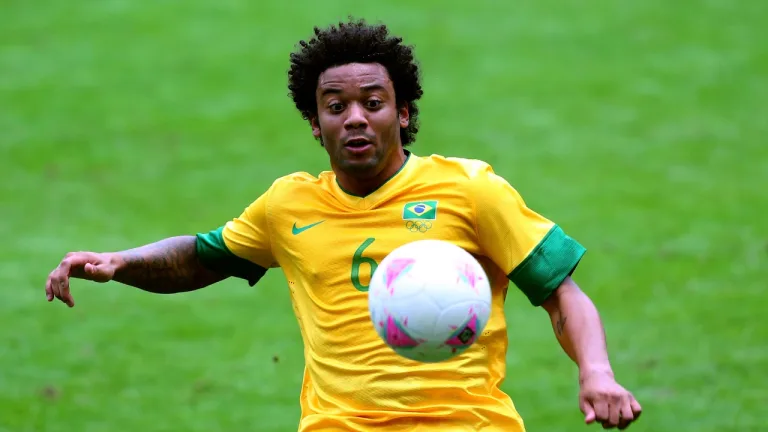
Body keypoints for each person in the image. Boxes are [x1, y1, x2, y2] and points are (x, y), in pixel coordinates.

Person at [45, 18, 642, 431]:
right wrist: (121, 263)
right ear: (315, 123)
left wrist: (596, 373)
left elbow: (561, 294)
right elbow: (203, 257)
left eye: (373, 103)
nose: (355, 118)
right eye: (336, 107)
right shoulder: (288, 206)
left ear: (403, 113)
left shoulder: (470, 190)